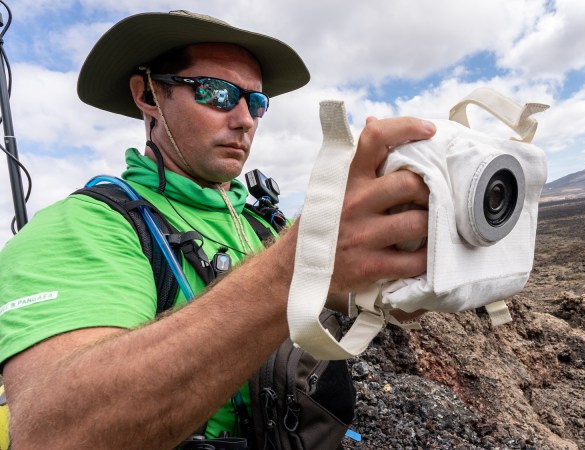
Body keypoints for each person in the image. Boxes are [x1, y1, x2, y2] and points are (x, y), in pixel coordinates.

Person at [0, 10, 433, 449]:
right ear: (148, 95)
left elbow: (369, 298)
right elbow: (54, 435)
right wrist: (296, 260)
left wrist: (412, 259)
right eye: (217, 93)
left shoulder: (264, 224)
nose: (245, 118)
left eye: (256, 101)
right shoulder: (84, 226)